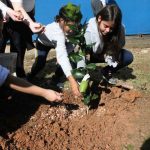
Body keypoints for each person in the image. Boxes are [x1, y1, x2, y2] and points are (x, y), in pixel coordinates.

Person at [0, 10, 63, 102]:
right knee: (40, 63)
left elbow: (6, 78)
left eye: (1, 31)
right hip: (43, 44)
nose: (1, 37)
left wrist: (45, 93)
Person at [27, 3, 82, 97]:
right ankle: (31, 76)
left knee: (65, 61)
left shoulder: (75, 28)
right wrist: (72, 81)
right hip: (44, 43)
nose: (73, 30)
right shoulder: (57, 33)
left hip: (63, 43)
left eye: (76, 26)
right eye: (71, 27)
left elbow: (72, 43)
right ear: (61, 21)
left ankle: (55, 79)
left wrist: (65, 53)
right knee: (41, 63)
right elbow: (62, 56)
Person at [84, 4, 133, 84]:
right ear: (99, 18)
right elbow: (82, 53)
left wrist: (110, 55)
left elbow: (118, 47)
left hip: (106, 55)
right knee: (73, 61)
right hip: (90, 55)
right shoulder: (89, 30)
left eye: (111, 28)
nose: (108, 30)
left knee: (127, 57)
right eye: (106, 26)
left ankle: (106, 72)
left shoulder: (119, 29)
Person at [0, 0, 44, 78]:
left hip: (19, 14)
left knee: (19, 45)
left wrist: (30, 22)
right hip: (6, 11)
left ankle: (18, 74)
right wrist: (5, 10)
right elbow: (18, 8)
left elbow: (20, 7)